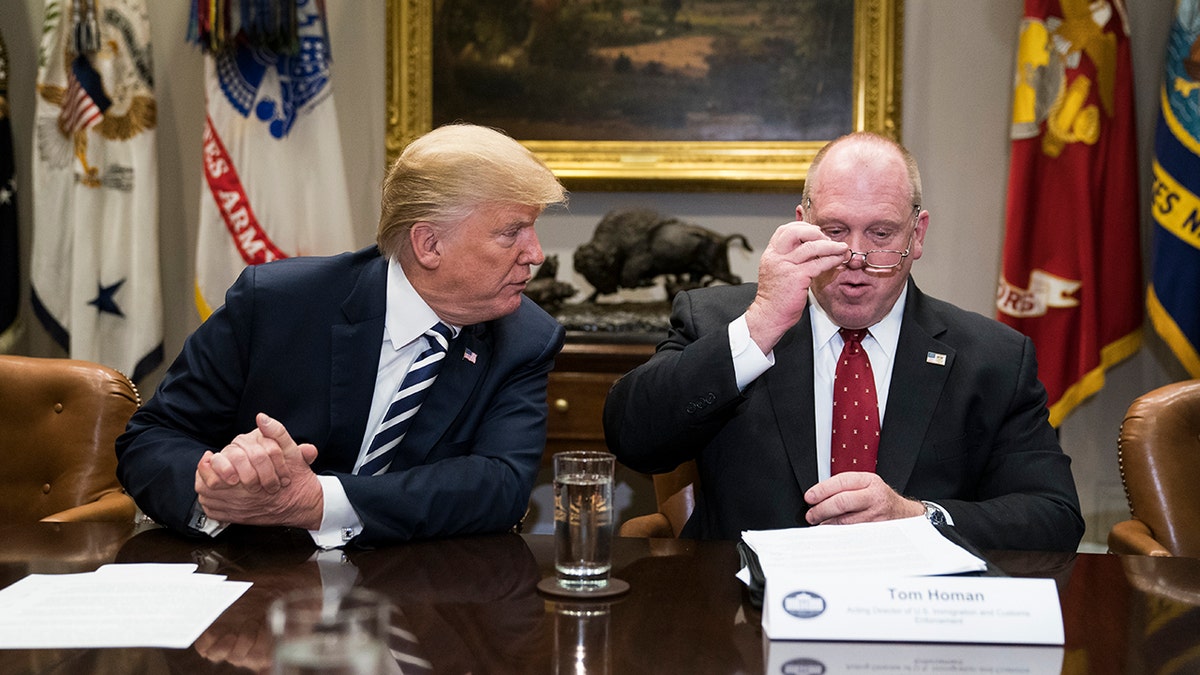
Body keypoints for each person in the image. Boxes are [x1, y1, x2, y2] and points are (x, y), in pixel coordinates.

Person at [603, 132, 1084, 552]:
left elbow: (1054, 517)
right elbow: (633, 439)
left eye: (880, 233)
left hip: (914, 619)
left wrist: (918, 519)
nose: (854, 257)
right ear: (800, 225)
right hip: (744, 623)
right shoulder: (719, 321)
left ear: (917, 235)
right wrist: (759, 328)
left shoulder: (993, 358)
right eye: (834, 231)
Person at [117, 123, 568, 548]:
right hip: (253, 573)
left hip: (415, 596)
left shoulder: (525, 339)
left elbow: (501, 485)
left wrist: (319, 502)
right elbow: (151, 438)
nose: (536, 254)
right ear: (429, 244)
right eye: (512, 233)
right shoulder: (277, 303)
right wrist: (215, 487)